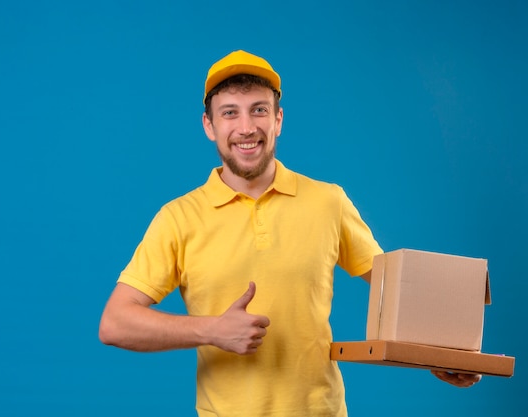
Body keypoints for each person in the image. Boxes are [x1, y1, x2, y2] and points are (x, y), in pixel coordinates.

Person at [98, 50, 481, 416]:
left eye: (259, 110)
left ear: (278, 119)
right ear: (209, 126)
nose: (246, 128)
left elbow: (392, 286)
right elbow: (115, 323)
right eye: (230, 113)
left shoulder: (328, 201)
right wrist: (212, 330)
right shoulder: (179, 218)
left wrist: (441, 355)